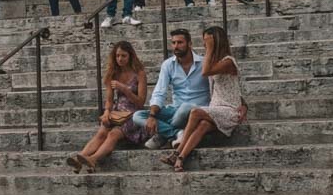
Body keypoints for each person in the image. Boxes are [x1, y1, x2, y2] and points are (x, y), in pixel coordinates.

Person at [161, 25, 245, 173]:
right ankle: (180, 159)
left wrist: (211, 49)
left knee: (195, 112)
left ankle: (176, 152)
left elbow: (205, 72)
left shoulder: (228, 61)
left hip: (229, 110)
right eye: (204, 41)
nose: (204, 44)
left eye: (207, 41)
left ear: (216, 41)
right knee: (203, 125)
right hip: (216, 108)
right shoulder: (215, 62)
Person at [66, 40, 147, 173]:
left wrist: (125, 90)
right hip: (117, 112)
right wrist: (106, 112)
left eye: (123, 56)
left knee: (113, 134)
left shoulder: (139, 73)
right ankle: (79, 159)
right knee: (102, 132)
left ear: (130, 56)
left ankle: (93, 159)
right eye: (117, 56)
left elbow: (141, 102)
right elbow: (109, 100)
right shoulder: (113, 73)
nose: (120, 59)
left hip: (134, 114)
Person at [144, 28, 210, 149]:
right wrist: (152, 116)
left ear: (190, 44)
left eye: (180, 42)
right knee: (138, 116)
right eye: (173, 43)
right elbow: (159, 92)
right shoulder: (168, 64)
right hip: (175, 110)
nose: (176, 46)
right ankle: (176, 133)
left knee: (186, 106)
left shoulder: (204, 63)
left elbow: (219, 86)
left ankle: (162, 135)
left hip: (198, 109)